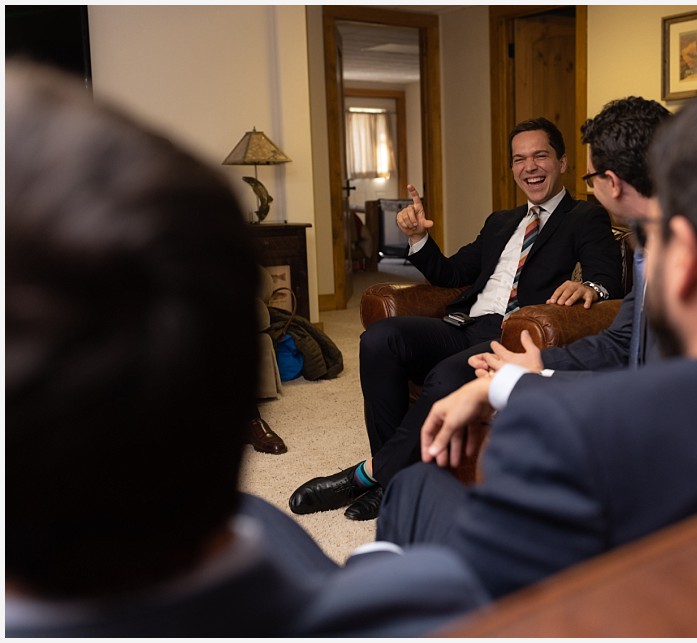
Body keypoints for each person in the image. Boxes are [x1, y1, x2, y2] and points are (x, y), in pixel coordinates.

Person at [376, 71, 697, 599]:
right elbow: (647, 369)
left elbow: (655, 408)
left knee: (414, 493)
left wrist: (517, 390)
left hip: (618, 585)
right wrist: (531, 375)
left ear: (686, 258)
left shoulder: (555, 436)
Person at [4, 62, 487, 637]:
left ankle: (379, 477)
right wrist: (375, 570)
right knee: (417, 485)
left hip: (490, 337)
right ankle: (384, 488)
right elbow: (454, 271)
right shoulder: (455, 604)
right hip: (354, 588)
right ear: (235, 386)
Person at [289, 117, 624, 521]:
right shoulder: (501, 222)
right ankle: (396, 478)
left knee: (447, 374)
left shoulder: (583, 217)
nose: (530, 167)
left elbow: (605, 276)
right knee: (380, 338)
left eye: (540, 156)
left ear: (563, 162)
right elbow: (450, 274)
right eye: (520, 159)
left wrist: (593, 288)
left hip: (513, 336)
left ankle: (369, 478)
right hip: (466, 324)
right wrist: (417, 238)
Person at [468, 96, 672, 394]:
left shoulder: (690, 254)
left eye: (590, 178)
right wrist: (536, 361)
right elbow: (621, 341)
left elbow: (658, 384)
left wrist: (524, 381)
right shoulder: (652, 245)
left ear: (612, 183)